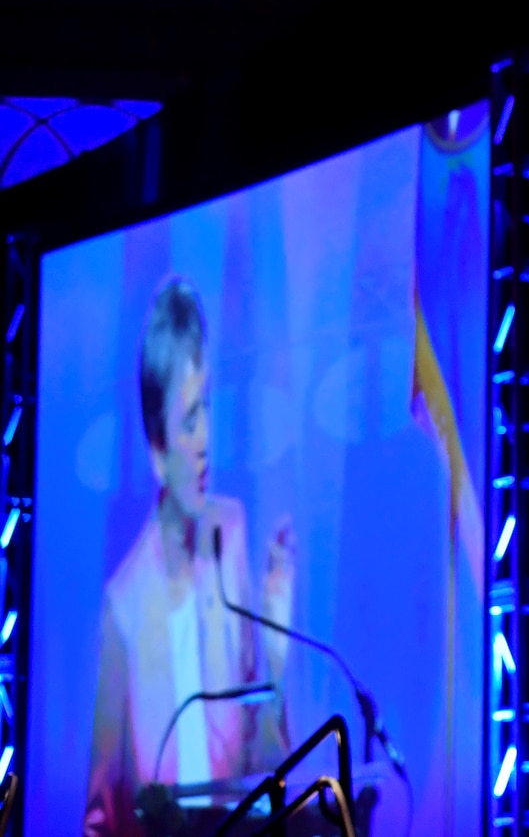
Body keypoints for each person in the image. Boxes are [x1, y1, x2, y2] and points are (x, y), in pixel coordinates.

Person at [85, 276, 295, 837]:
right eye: (187, 421)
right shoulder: (124, 609)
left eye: (207, 410)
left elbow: (268, 767)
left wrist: (274, 655)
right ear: (156, 450)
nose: (205, 440)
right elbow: (101, 816)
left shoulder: (231, 537)